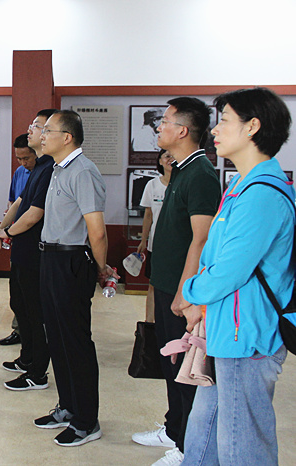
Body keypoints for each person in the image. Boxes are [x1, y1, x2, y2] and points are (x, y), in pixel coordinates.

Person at [177, 87, 295, 465]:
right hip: (226, 330)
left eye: (224, 120)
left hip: (248, 338)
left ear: (252, 127)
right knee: (204, 435)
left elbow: (228, 271)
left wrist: (191, 292)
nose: (215, 130)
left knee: (242, 447)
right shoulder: (241, 186)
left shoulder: (262, 194)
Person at [132, 97, 221, 466]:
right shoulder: (181, 171)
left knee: (186, 370)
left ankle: (188, 448)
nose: (159, 127)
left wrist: (186, 292)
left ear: (182, 130)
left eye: (166, 121)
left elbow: (202, 238)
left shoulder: (201, 174)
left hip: (182, 292)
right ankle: (174, 429)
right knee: (171, 366)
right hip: (167, 283)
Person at [32, 110, 116, 447]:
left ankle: (86, 420)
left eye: (48, 130)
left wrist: (101, 268)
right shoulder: (58, 169)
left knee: (76, 342)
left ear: (67, 137)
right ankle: (67, 406)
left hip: (71, 261)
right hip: (51, 258)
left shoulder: (83, 171)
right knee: (56, 338)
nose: (42, 135)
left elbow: (97, 230)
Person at [0, 109, 56, 391]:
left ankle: (37, 373)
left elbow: (34, 214)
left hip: (36, 255)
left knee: (35, 314)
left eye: (37, 126)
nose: (31, 130)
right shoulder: (37, 167)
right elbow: (19, 203)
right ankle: (26, 358)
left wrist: (7, 233)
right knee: (21, 308)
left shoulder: (51, 168)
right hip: (22, 252)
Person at [0, 133, 37, 346]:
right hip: (16, 237)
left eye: (26, 158)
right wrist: (2, 230)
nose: (23, 163)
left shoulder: (44, 173)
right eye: (19, 158)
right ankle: (19, 330)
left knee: (31, 294)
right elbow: (13, 201)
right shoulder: (20, 172)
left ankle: (33, 335)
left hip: (34, 241)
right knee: (17, 290)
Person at [137, 150, 174, 322]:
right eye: (166, 156)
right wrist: (143, 240)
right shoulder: (152, 185)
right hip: (155, 246)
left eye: (173, 156)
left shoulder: (182, 183)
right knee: (153, 285)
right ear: (160, 161)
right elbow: (148, 216)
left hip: (176, 247)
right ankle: (149, 323)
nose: (170, 159)